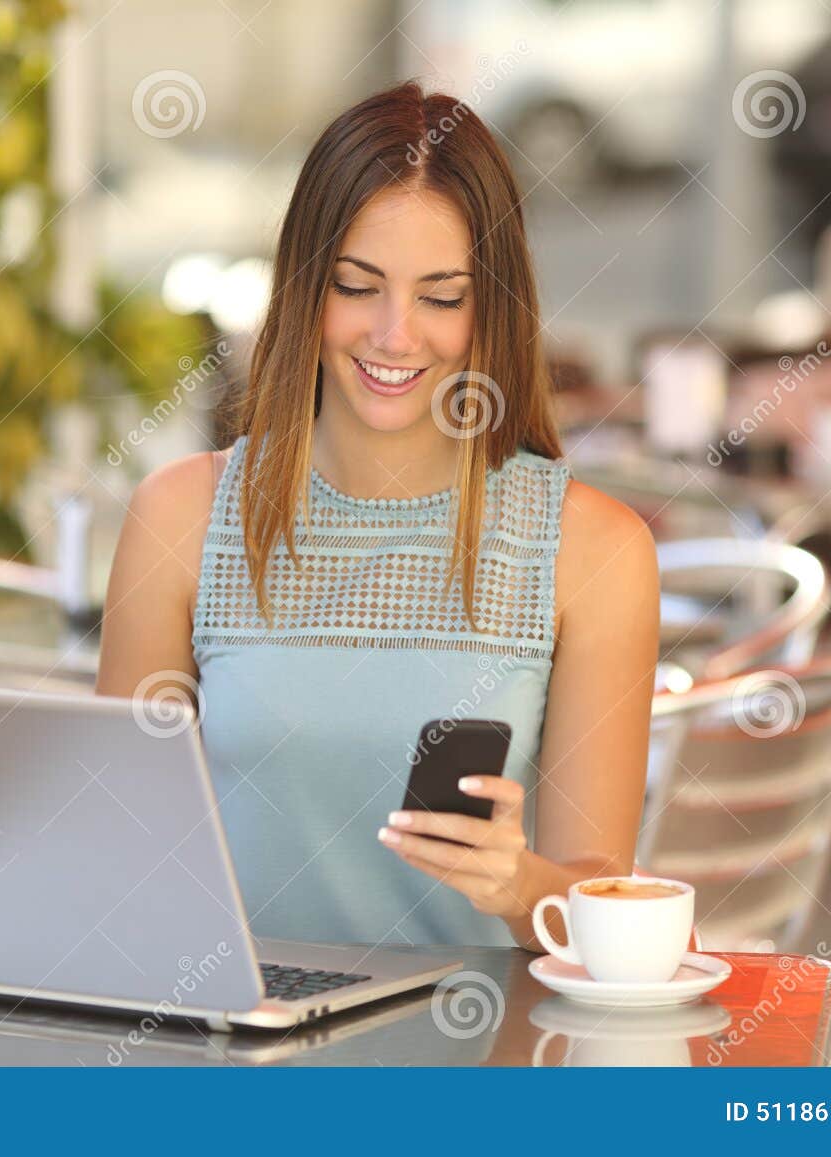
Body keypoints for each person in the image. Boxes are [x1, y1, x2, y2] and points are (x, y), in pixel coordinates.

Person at [96, 82, 659, 950]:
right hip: (229, 1061)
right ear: (303, 289)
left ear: (493, 308)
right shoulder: (180, 517)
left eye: (442, 297)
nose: (396, 336)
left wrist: (521, 884)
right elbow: (113, 861)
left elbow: (605, 910)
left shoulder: (595, 552)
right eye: (358, 286)